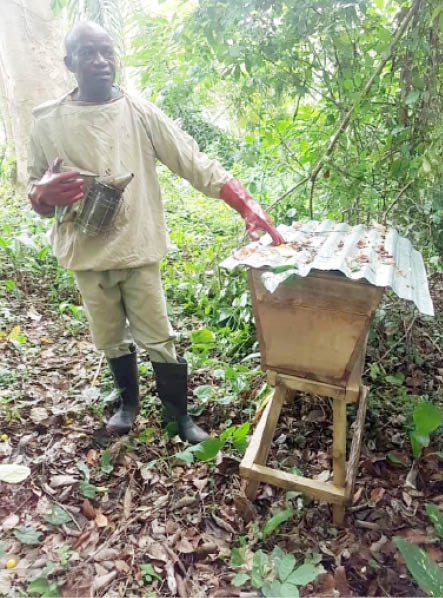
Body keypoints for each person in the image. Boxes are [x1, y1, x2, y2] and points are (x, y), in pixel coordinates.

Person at [27, 21, 284, 444]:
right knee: (109, 336)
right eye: (88, 53)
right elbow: (36, 192)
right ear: (68, 62)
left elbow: (193, 160)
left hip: (137, 246)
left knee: (159, 335)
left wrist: (245, 204)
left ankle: (179, 418)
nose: (100, 61)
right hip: (87, 253)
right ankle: (128, 404)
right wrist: (42, 195)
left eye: (106, 51)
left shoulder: (138, 112)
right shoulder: (47, 123)